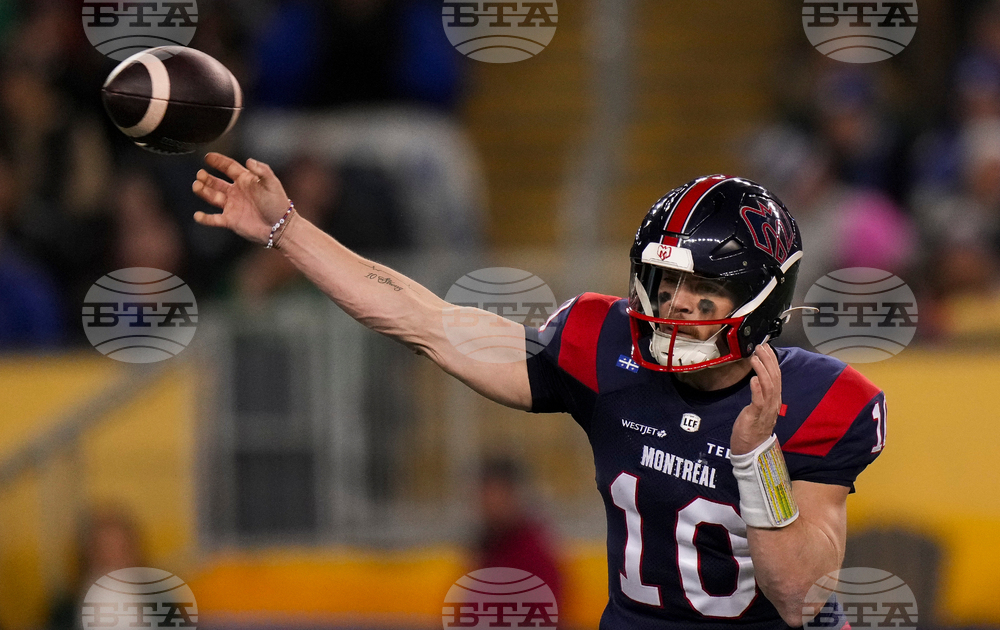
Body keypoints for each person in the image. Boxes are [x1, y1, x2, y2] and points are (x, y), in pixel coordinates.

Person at [191, 157, 886, 628]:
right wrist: (286, 230)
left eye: (703, 288)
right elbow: (427, 323)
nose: (675, 305)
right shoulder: (607, 348)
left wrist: (755, 458)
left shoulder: (819, 401)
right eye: (667, 282)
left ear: (761, 298)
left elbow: (800, 596)